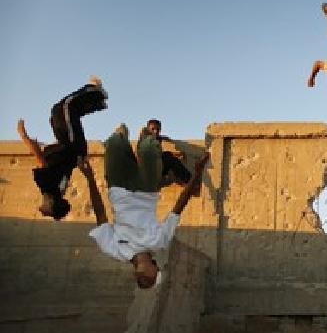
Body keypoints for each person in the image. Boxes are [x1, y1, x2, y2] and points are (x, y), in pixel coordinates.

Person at [83, 124, 209, 289]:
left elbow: (100, 214)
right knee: (149, 147)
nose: (157, 269)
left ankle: (122, 134)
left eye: (155, 274)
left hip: (118, 187)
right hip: (146, 189)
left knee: (115, 143)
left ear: (141, 275)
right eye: (155, 273)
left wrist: (90, 178)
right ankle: (145, 137)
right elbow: (179, 206)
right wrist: (197, 174)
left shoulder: (114, 250)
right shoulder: (160, 242)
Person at [16, 77, 108, 220]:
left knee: (60, 116)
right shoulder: (47, 185)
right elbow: (40, 159)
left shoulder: (60, 190)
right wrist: (24, 135)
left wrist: (45, 147)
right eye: (44, 206)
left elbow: (56, 162)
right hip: (71, 145)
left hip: (75, 149)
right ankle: (96, 92)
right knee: (64, 107)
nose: (42, 204)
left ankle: (97, 103)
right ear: (52, 202)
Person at [145, 119, 192, 186]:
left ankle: (187, 181)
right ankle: (189, 181)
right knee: (168, 157)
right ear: (148, 130)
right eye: (153, 129)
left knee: (168, 156)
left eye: (158, 129)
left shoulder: (158, 139)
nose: (155, 131)